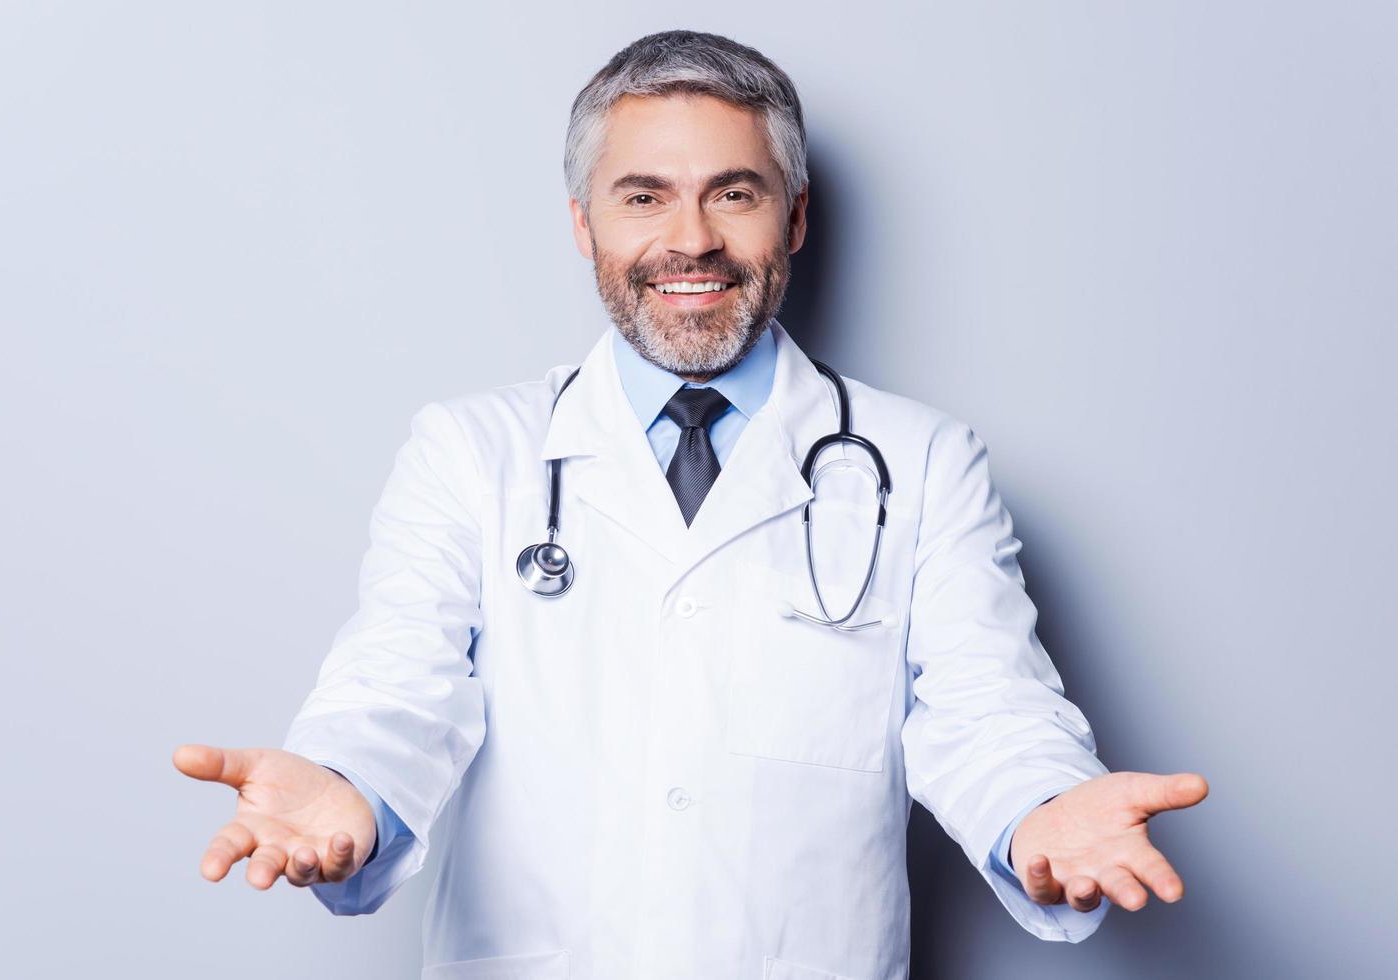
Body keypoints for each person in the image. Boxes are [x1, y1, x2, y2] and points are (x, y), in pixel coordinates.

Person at [174, 30, 1208, 980]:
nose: (690, 239)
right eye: (641, 196)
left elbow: (986, 705)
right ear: (583, 225)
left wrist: (1039, 805)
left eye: (733, 193)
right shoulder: (471, 449)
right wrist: (344, 780)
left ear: (793, 217)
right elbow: (399, 682)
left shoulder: (920, 460)